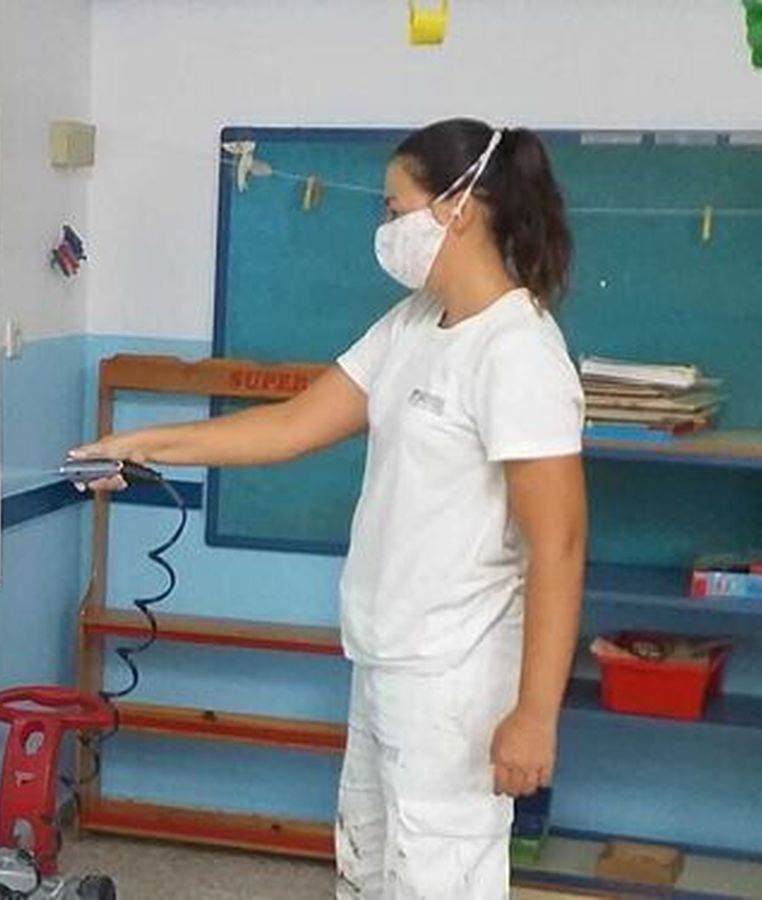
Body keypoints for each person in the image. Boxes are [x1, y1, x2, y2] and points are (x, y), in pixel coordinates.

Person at [70, 118, 587, 898]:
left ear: (459, 208)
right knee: (369, 870)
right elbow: (290, 425)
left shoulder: (518, 353)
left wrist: (536, 713)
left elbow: (561, 546)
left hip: (457, 676)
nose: (385, 229)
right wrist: (148, 442)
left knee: (434, 881)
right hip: (383, 657)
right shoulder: (414, 325)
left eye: (394, 209)